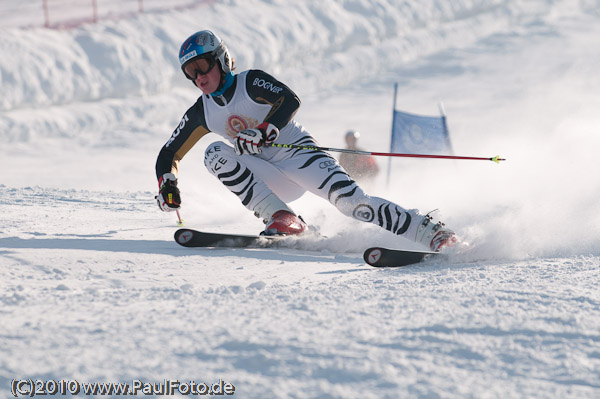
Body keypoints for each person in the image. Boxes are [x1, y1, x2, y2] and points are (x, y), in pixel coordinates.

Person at [155, 30, 456, 251]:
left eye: (202, 67)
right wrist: (168, 183)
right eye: (190, 73)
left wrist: (263, 130)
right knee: (214, 153)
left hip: (299, 155)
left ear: (220, 60)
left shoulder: (250, 82)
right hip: (266, 175)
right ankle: (283, 218)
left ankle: (431, 233)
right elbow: (170, 152)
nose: (198, 78)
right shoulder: (202, 111)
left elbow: (289, 100)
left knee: (353, 204)